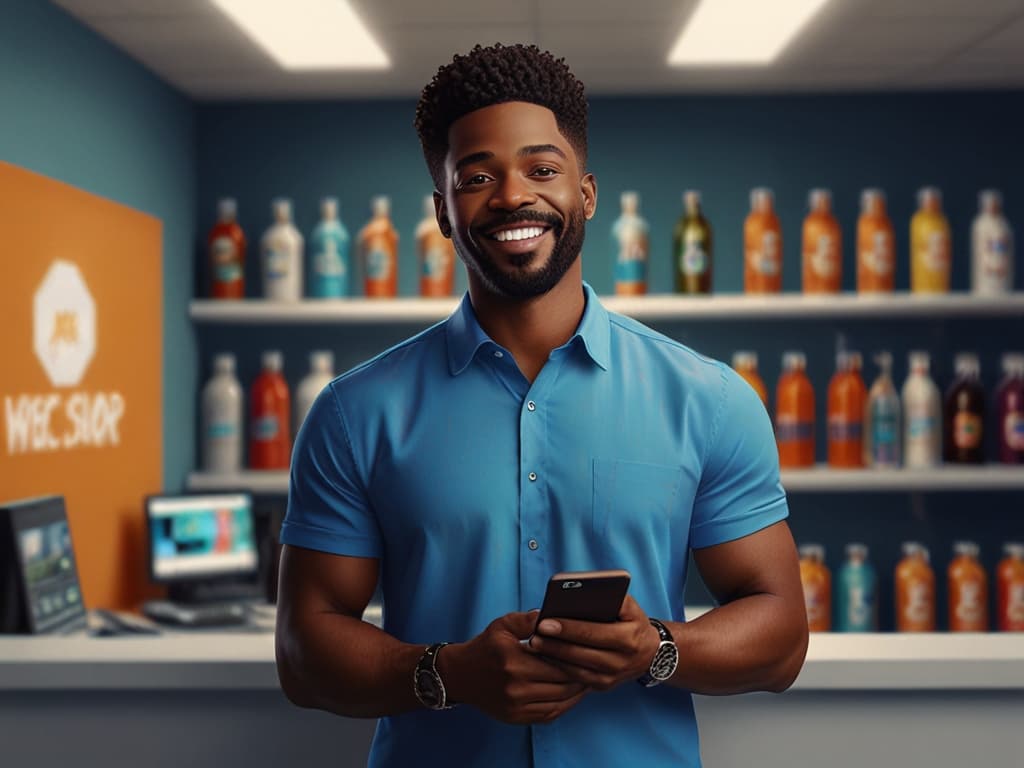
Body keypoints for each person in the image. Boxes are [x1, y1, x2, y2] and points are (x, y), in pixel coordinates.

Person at [276, 43, 808, 767]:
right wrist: (449, 673)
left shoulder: (709, 402)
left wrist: (651, 650)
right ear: (442, 211)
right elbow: (305, 650)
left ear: (585, 194)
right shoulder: (353, 414)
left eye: (542, 169)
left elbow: (780, 636)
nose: (511, 196)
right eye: (477, 177)